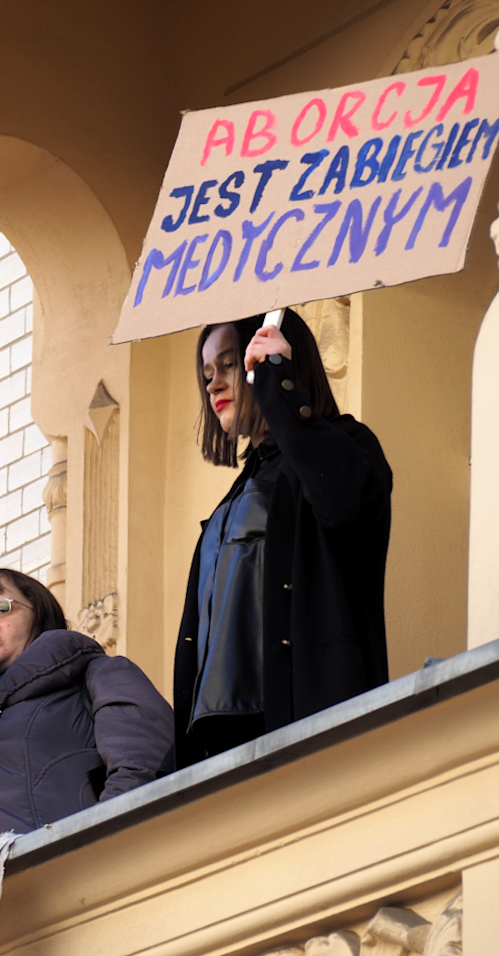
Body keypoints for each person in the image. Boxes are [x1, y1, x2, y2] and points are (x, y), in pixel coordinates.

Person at [174, 311, 392, 768]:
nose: (214, 384)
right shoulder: (237, 493)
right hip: (223, 751)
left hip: (304, 732)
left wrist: (281, 387)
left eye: (230, 364)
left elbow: (346, 505)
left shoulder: (345, 444)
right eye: (208, 373)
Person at [0, 567, 174, 860]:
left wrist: (94, 855)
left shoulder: (97, 675)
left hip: (72, 878)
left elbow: (140, 769)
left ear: (39, 615)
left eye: (0, 609)